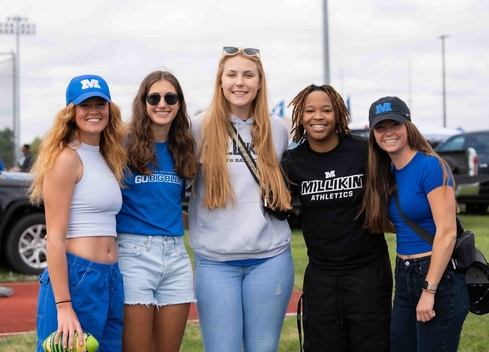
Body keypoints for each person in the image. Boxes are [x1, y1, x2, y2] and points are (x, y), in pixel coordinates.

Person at [188, 46, 294, 352]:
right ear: (220, 82)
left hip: (270, 259)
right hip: (215, 262)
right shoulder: (197, 128)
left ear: (260, 82)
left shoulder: (277, 129)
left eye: (248, 75)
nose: (240, 82)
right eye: (231, 74)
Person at [282, 84, 392, 352]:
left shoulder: (364, 150)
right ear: (300, 116)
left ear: (339, 114)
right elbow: (276, 206)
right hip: (321, 277)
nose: (317, 116)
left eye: (326, 110)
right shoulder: (292, 162)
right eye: (309, 110)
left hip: (368, 274)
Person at [361, 96, 469, 352]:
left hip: (436, 275)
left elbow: (447, 231)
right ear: (373, 133)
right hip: (404, 271)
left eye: (394, 125)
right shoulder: (386, 172)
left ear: (408, 126)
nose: (388, 132)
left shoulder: (430, 166)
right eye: (380, 127)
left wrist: (429, 290)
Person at [29, 74, 127, 352]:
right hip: (77, 277)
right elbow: (55, 239)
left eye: (100, 103)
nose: (94, 111)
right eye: (85, 105)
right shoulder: (66, 158)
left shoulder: (109, 156)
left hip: (109, 278)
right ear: (71, 112)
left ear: (110, 108)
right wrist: (63, 306)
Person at [115, 70, 198, 352]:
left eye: (170, 97)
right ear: (143, 101)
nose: (162, 104)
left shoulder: (184, 147)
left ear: (179, 103)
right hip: (133, 255)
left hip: (176, 257)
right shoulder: (121, 144)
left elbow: (169, 206)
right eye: (154, 97)